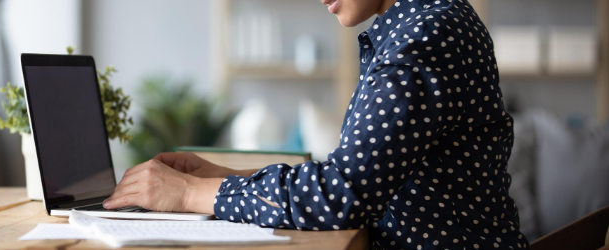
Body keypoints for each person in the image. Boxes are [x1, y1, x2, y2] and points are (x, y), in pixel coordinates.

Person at [103, 0, 530, 248]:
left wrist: (190, 193)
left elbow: (343, 194)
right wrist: (230, 177)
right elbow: (357, 172)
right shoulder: (423, 22)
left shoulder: (424, 38)